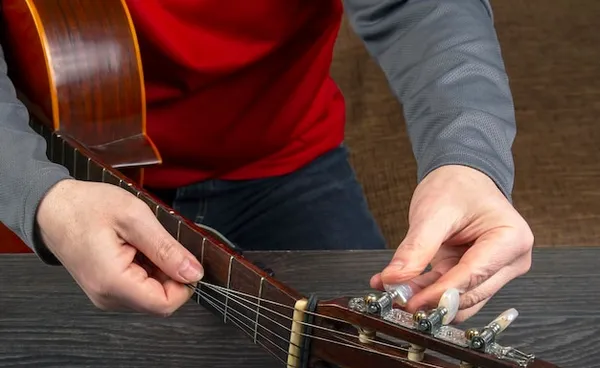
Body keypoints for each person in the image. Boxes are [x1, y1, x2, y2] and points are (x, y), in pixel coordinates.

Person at [0, 0, 533, 323]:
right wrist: (37, 195)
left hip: (282, 162)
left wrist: (468, 158)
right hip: (51, 167)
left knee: (374, 346)